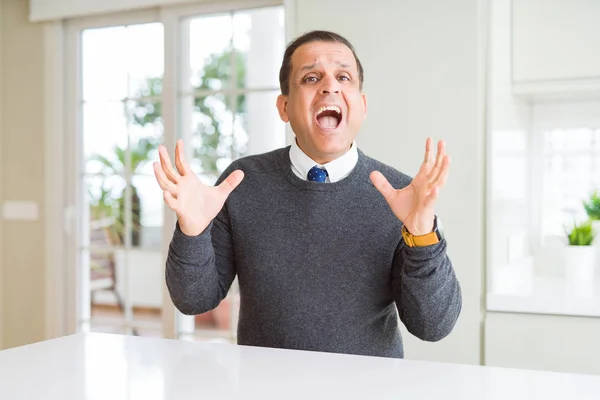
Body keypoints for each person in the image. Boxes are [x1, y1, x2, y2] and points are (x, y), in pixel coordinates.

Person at [153, 30, 461, 358]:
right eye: (312, 77)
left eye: (344, 76)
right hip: (266, 386)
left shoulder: (400, 194)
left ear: (362, 104)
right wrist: (193, 232)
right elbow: (193, 301)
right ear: (284, 106)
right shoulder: (242, 182)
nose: (330, 85)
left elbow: (433, 326)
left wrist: (423, 236)